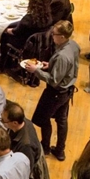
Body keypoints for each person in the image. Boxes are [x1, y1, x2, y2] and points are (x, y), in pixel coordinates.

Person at [27, 21, 78, 160]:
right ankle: (60, 151)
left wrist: (36, 71)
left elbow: (54, 80)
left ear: (62, 36)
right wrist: (51, 65)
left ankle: (45, 146)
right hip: (67, 91)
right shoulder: (72, 45)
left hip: (55, 92)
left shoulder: (62, 56)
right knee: (62, 120)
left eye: (54, 34)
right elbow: (69, 67)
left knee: (43, 119)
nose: (52, 36)